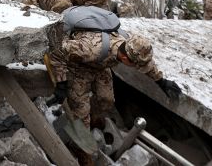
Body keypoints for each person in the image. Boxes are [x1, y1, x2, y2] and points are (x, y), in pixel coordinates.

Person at [49, 29, 181, 130]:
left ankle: (90, 115)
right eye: (135, 65)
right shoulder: (92, 49)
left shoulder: (129, 45)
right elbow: (56, 50)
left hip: (101, 66)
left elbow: (146, 64)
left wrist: (161, 81)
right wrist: (61, 81)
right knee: (81, 113)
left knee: (107, 100)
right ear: (125, 59)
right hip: (79, 67)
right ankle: (77, 124)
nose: (138, 68)